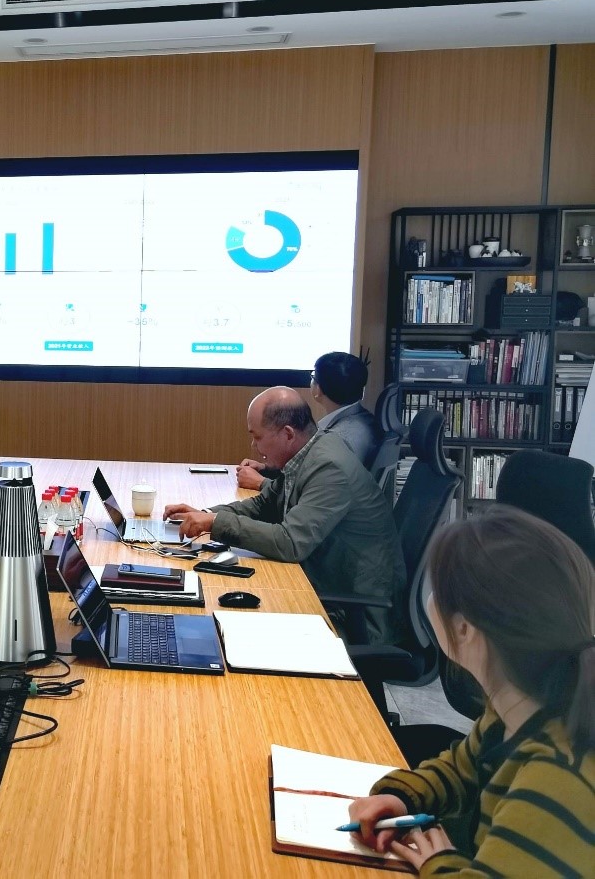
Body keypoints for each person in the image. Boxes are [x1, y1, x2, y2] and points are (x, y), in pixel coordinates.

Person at [347, 507, 594, 875]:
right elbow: (462, 770)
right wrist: (401, 797)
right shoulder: (518, 707)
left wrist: (439, 864)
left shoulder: (556, 781)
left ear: (464, 629)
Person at [165, 386, 406, 645]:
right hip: (323, 585)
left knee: (224, 631)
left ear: (288, 434)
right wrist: (205, 515)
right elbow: (264, 505)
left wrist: (216, 523)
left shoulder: (330, 467)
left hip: (355, 616)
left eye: (257, 437)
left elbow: (290, 542)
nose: (254, 446)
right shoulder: (308, 453)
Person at [237, 352, 382, 490]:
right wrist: (267, 469)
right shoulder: (362, 421)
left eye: (313, 376)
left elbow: (319, 487)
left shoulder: (341, 439)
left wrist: (261, 483)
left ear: (319, 390)